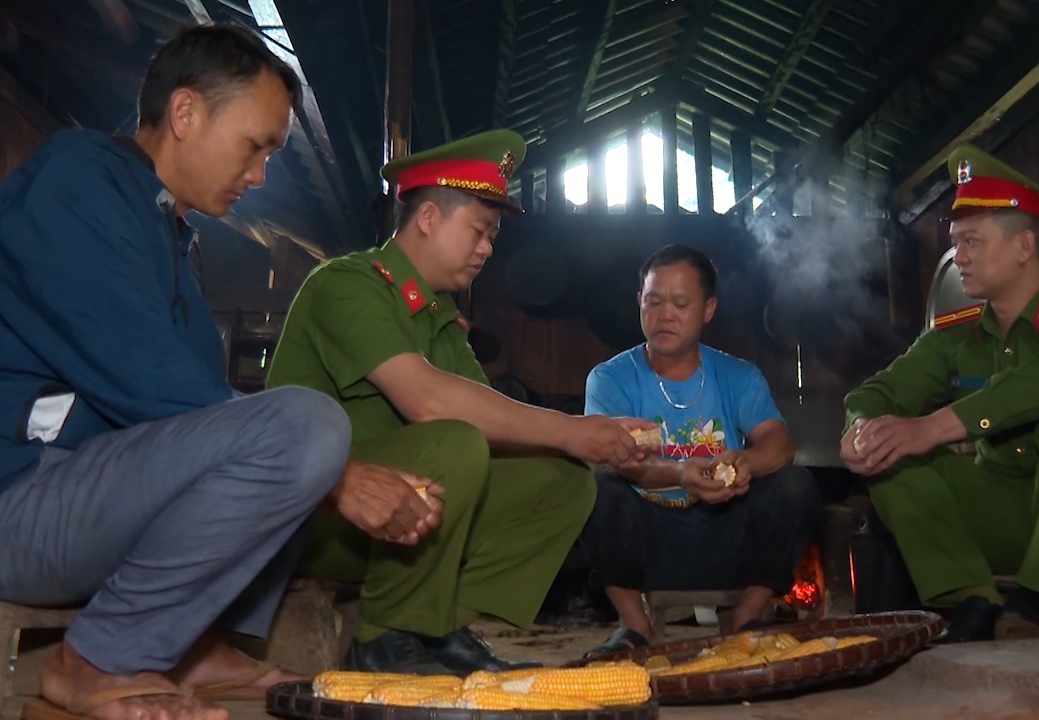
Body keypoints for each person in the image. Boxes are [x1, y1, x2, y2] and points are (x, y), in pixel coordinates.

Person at [0, 24, 434, 720]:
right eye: (255, 146)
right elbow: (144, 378)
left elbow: (193, 408)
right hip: (20, 499)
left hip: (84, 493)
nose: (260, 174)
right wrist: (337, 477)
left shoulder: (171, 233)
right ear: (185, 114)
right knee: (304, 428)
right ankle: (96, 658)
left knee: (290, 438)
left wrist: (324, 470)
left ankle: (191, 646)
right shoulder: (76, 179)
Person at [265, 129, 651, 675]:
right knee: (455, 440)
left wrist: (592, 443)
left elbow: (494, 424)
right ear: (427, 218)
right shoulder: (347, 285)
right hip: (323, 513)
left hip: (399, 521)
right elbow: (427, 401)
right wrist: (572, 427)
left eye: (491, 236)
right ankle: (381, 638)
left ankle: (436, 623)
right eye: (479, 230)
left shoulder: (441, 320)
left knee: (563, 480)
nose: (488, 248)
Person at [842, 144, 1039, 643]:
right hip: (1009, 519)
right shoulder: (953, 336)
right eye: (955, 243)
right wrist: (861, 428)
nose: (957, 258)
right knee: (888, 454)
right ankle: (972, 603)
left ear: (1024, 247)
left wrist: (936, 426)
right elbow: (878, 391)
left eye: (971, 242)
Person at [579, 244, 823, 656]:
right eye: (653, 301)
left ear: (707, 309)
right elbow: (609, 455)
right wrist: (679, 474)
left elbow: (779, 444)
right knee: (595, 484)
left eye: (680, 303)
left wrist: (745, 461)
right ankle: (635, 628)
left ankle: (745, 616)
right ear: (639, 302)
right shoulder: (610, 378)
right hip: (648, 537)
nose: (664, 314)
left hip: (724, 533)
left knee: (795, 485)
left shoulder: (738, 376)